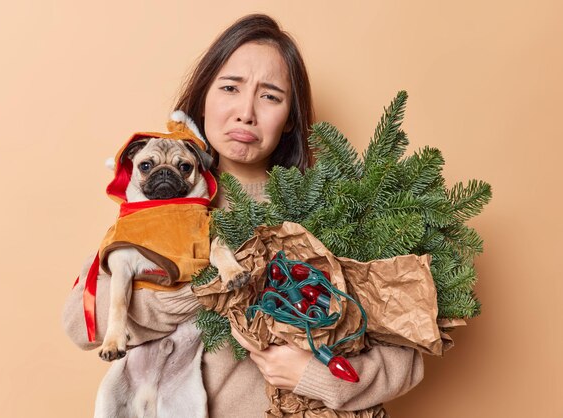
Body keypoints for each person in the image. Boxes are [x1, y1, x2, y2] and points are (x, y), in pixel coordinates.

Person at [63, 14, 423, 417]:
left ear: (290, 119)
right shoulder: (163, 205)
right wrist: (195, 289)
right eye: (230, 88)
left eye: (270, 96)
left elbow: (405, 356)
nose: (245, 113)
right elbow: (80, 322)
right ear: (203, 98)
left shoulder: (332, 207)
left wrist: (314, 376)